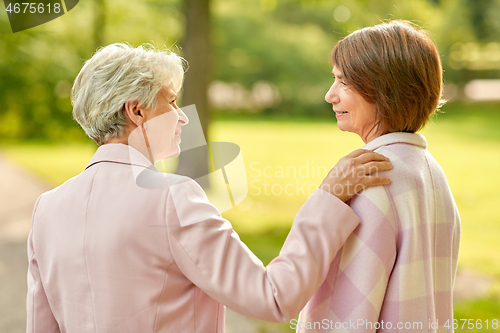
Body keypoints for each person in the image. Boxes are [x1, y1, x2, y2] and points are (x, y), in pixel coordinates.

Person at [26, 43, 393, 333]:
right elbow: (274, 299)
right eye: (171, 101)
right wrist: (328, 198)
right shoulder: (171, 196)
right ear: (136, 111)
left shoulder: (47, 207)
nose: (183, 115)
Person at [296, 21, 461, 333]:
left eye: (344, 83)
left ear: (385, 90)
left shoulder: (370, 179)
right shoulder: (429, 173)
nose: (330, 95)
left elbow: (344, 320)